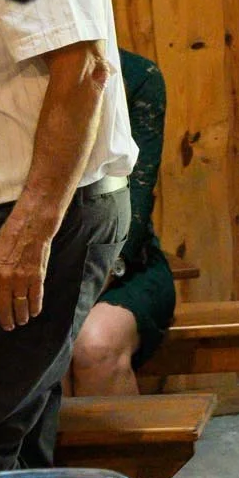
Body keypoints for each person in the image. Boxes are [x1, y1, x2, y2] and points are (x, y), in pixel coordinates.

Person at [0, 0, 134, 472]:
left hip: (31, 211)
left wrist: (28, 233)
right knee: (17, 438)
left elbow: (83, 68)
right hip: (11, 206)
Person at [68, 49, 176, 394]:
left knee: (93, 346)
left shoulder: (135, 75)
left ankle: (116, 448)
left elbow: (136, 206)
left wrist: (79, 295)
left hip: (124, 265)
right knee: (36, 356)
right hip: (29, 269)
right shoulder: (8, 80)